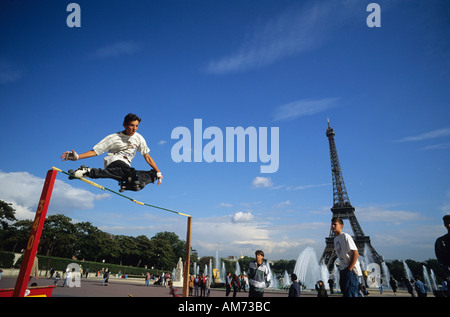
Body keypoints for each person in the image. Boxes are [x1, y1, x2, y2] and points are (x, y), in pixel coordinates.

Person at [61, 113, 163, 192]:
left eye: (136, 126)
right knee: (129, 172)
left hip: (126, 167)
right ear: (125, 124)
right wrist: (78, 157)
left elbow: (147, 156)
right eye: (131, 125)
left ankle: (129, 183)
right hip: (113, 161)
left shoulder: (139, 138)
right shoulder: (113, 138)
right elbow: (96, 151)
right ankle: (87, 171)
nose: (134, 129)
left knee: (150, 175)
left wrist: (158, 172)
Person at [331, 217, 362, 297]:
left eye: (335, 224)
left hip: (351, 271)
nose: (333, 226)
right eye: (332, 224)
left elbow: (356, 254)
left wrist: (349, 269)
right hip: (343, 270)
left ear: (341, 226)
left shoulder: (346, 236)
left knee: (351, 294)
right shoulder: (335, 239)